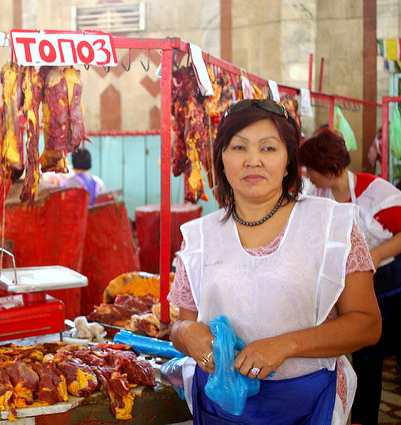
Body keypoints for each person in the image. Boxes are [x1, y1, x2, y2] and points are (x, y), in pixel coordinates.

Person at [169, 99, 382, 425]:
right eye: (238, 147)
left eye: (268, 148)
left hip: (307, 406)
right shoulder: (200, 237)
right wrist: (186, 334)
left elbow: (368, 323)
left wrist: (287, 344)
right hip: (222, 409)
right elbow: (182, 323)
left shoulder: (331, 226)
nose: (253, 160)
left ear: (288, 161)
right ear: (221, 160)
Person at [299, 127, 401, 425]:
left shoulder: (377, 193)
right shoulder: (317, 193)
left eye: (311, 169)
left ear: (329, 169)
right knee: (353, 356)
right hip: (339, 285)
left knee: (372, 356)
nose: (308, 175)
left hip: (384, 285)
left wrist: (377, 255)